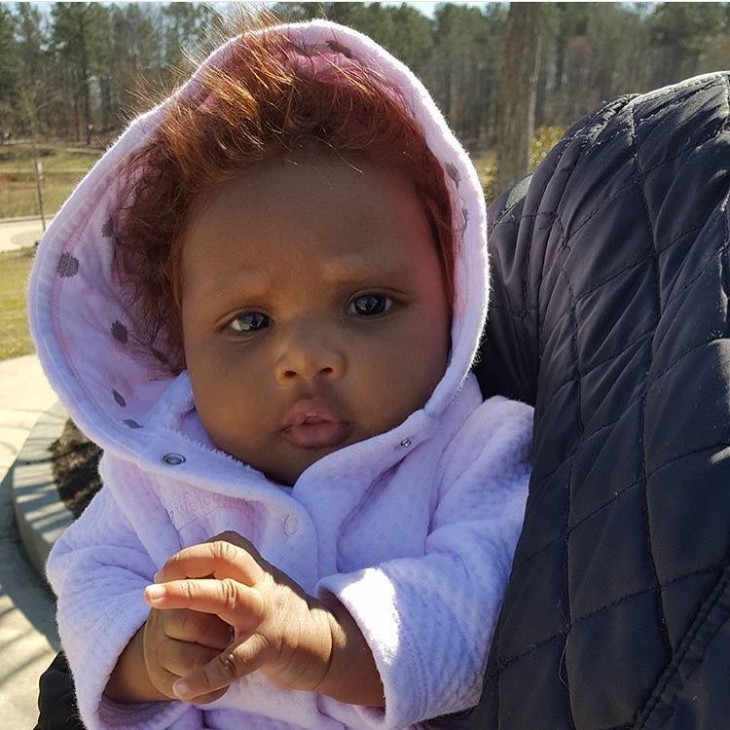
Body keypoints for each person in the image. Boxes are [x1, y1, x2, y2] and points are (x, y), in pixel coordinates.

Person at [28, 20, 532, 730]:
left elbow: (490, 592)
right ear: (181, 343)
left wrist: (331, 641)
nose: (304, 356)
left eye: (367, 304)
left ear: (454, 295)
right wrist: (145, 655)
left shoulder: (475, 445)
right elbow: (90, 576)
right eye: (249, 322)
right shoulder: (164, 465)